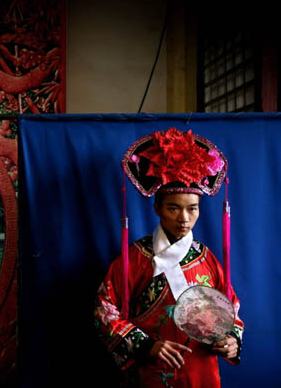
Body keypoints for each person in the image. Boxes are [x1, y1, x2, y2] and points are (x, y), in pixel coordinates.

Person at [93, 128, 244, 388]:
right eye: (173, 208)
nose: (184, 218)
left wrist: (232, 340)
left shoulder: (206, 258)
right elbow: (104, 312)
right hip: (152, 371)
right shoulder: (135, 258)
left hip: (203, 370)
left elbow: (230, 307)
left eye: (192, 209)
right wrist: (146, 346)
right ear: (157, 209)